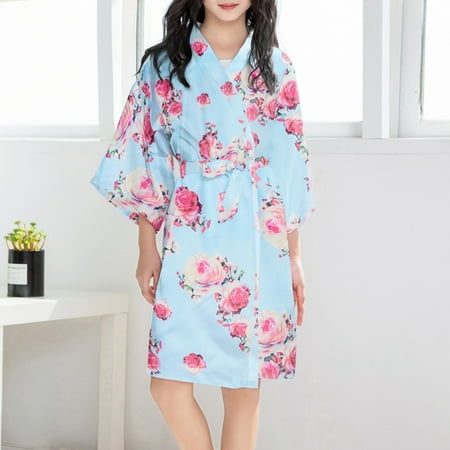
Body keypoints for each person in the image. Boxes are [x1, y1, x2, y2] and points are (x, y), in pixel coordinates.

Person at [91, 0, 315, 448]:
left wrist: (294, 256)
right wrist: (146, 246)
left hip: (257, 236)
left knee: (242, 386)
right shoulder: (164, 65)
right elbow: (146, 154)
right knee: (167, 387)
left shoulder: (275, 66)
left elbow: (290, 166)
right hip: (188, 236)